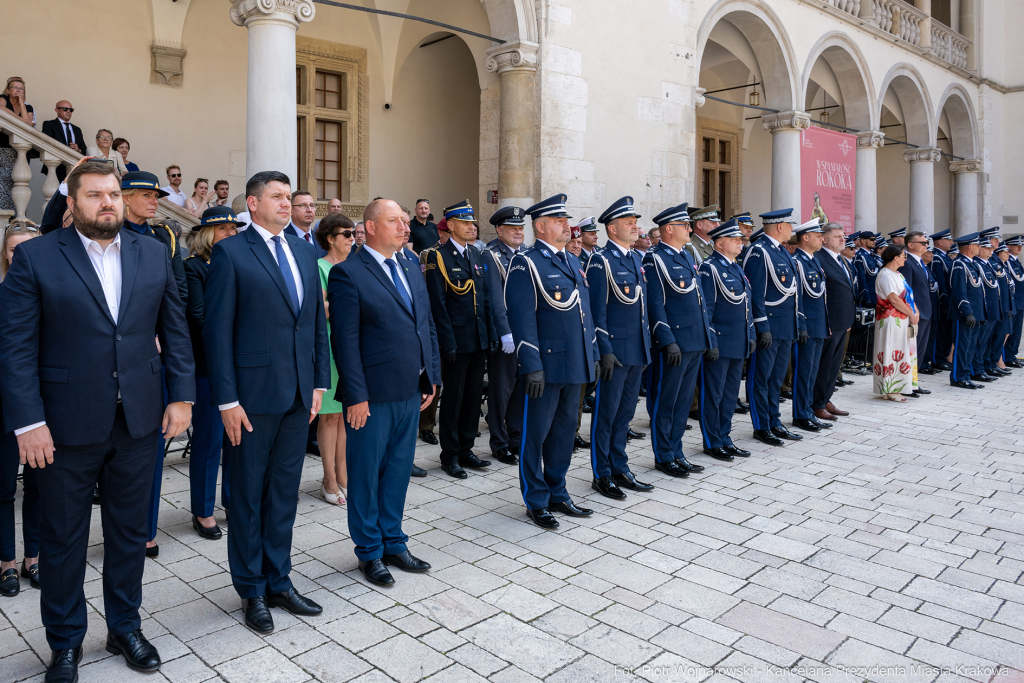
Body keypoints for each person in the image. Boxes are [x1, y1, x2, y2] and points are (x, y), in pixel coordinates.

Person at [0, 160, 195, 680]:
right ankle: (65, 643)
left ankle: (125, 627)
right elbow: (15, 350)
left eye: (112, 193)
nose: (107, 202)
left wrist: (183, 397)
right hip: (63, 430)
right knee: (62, 542)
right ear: (72, 203)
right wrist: (28, 423)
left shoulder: (152, 253)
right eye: (95, 195)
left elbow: (174, 330)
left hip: (138, 423)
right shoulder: (37, 259)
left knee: (130, 535)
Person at [204, 170, 329, 634]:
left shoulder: (304, 249)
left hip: (299, 395)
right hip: (252, 400)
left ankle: (279, 579)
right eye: (276, 197)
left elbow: (313, 323)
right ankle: (251, 589)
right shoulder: (231, 251)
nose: (286, 203)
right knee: (250, 498)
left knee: (283, 496)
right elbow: (216, 333)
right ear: (253, 204)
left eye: (288, 196)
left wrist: (318, 383)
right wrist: (227, 401)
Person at [327, 198, 440, 586]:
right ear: (372, 227)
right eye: (395, 221)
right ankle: (369, 552)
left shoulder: (409, 264)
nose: (405, 227)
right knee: (365, 474)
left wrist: (431, 375)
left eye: (406, 221)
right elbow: (345, 340)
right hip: (371, 397)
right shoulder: (349, 274)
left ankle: (394, 541)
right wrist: (356, 396)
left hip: (410, 388)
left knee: (396, 472)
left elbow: (425, 323)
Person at [505, 194, 598, 528]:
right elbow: (521, 318)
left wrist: (593, 354)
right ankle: (536, 498)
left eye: (566, 221)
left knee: (563, 433)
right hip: (545, 365)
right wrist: (531, 364)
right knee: (536, 434)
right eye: (559, 221)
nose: (567, 226)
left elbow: (584, 315)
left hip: (574, 363)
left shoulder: (573, 262)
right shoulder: (526, 262)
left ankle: (558, 491)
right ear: (540, 226)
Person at [586, 196, 653, 500]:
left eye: (635, 221)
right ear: (612, 229)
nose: (635, 226)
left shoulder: (636, 259)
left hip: (637, 349)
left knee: (625, 414)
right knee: (607, 413)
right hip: (615, 351)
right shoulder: (601, 260)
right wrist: (605, 349)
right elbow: (596, 311)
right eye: (629, 222)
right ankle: (602, 473)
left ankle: (619, 465)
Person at [422, 200, 496, 479]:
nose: (472, 227)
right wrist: (447, 342)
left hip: (477, 339)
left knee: (473, 397)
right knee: (454, 399)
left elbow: (485, 299)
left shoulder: (476, 255)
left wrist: (489, 335)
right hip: (456, 340)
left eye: (473, 223)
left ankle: (466, 448)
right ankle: (450, 454)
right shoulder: (438, 257)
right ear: (451, 226)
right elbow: (437, 305)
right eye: (466, 223)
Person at [642, 202, 712, 477]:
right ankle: (663, 455)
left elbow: (699, 300)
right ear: (668, 229)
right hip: (674, 342)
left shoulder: (685, 255)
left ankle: (677, 451)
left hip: (694, 339)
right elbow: (655, 304)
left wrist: (706, 335)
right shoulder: (655, 257)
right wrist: (666, 339)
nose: (689, 229)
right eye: (685, 225)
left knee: (683, 401)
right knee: (666, 400)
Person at [183, 207, 239, 540]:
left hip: (238, 366)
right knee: (209, 441)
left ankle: (233, 501)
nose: (232, 234)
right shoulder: (194, 268)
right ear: (208, 234)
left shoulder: (235, 264)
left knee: (237, 440)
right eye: (225, 229)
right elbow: (200, 315)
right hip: (207, 367)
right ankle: (203, 510)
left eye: (234, 229)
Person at [0, 223, 41, 598]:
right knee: (2, 489)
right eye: (14, 250)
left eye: (28, 248)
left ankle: (34, 557)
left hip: (45, 408)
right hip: (3, 406)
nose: (21, 255)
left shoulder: (53, 294)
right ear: (6, 255)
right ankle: (6, 563)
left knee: (39, 486)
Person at [744, 209, 805, 447]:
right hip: (769, 325)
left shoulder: (780, 251)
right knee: (762, 377)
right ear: (779, 226)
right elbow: (755, 294)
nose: (792, 229)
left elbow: (793, 293)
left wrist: (797, 324)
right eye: (790, 225)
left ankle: (773, 420)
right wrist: (761, 326)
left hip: (785, 325)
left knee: (777, 378)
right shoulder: (759, 252)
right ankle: (761, 426)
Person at [698, 219, 755, 461]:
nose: (740, 243)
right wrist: (710, 342)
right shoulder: (709, 268)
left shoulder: (736, 267)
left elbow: (746, 306)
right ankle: (712, 441)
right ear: (719, 243)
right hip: (720, 342)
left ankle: (724, 436)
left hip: (738, 340)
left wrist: (750, 333)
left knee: (731, 394)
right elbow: (706, 310)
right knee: (714, 394)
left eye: (740, 240)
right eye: (734, 240)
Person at [315, 212, 356, 504]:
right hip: (328, 347)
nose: (353, 239)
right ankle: (328, 477)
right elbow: (320, 311)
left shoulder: (355, 266)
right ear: (331, 238)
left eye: (354, 234)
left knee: (345, 414)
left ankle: (343, 472)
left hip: (352, 347)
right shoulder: (319, 267)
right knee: (329, 416)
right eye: (347, 234)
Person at [482, 205, 525, 465]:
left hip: (524, 335)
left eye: (521, 228)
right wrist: (505, 332)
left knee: (520, 389)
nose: (518, 232)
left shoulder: (524, 255)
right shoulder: (491, 255)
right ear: (500, 230)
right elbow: (495, 299)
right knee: (501, 391)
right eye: (513, 228)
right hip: (505, 337)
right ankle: (499, 442)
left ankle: (516, 438)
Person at [790, 219, 832, 432]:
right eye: (817, 235)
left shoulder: (813, 261)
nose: (821, 238)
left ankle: (807, 411)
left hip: (818, 325)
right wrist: (801, 325)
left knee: (812, 371)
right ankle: (800, 414)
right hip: (806, 325)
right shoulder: (797, 261)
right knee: (804, 372)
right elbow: (797, 298)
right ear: (805, 237)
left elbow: (819, 297)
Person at [812, 223, 855, 423]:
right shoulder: (819, 259)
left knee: (834, 365)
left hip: (842, 320)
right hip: (829, 321)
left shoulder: (841, 260)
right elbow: (820, 294)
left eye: (843, 235)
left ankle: (826, 399)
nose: (842, 239)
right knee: (825, 364)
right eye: (837, 236)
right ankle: (817, 404)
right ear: (824, 239)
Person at [872, 244, 918, 401]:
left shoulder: (898, 274)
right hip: (890, 320)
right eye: (904, 255)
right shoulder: (885, 275)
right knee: (891, 350)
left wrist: (915, 311)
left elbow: (907, 295)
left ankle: (899, 386)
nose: (906, 258)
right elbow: (893, 299)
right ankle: (890, 389)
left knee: (902, 351)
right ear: (895, 257)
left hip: (901, 318)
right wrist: (911, 314)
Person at [949, 233, 986, 389]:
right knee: (963, 346)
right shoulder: (959, 264)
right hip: (964, 314)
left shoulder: (971, 264)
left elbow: (979, 291)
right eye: (978, 245)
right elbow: (959, 291)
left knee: (970, 346)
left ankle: (966, 374)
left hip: (975, 313)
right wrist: (967, 312)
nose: (980, 248)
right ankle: (958, 377)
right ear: (970, 247)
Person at [899, 231, 934, 393]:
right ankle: (907, 383)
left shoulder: (919, 262)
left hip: (925, 311)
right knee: (912, 349)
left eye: (926, 242)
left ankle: (913, 382)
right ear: (911, 245)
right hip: (916, 313)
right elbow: (906, 290)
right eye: (923, 243)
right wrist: (913, 311)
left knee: (919, 349)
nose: (926, 245)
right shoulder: (907, 263)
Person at [973, 229, 1003, 381]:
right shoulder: (977, 264)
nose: (991, 251)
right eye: (987, 248)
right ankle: (977, 369)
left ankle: (985, 366)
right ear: (979, 249)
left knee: (986, 340)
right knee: (979, 341)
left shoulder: (987, 264)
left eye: (992, 249)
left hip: (992, 309)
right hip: (985, 309)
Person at [1, 77, 35, 212]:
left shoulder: (27, 107)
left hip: (20, 150)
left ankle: (17, 215)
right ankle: (4, 214)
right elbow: (1, 109)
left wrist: (21, 102)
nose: (18, 90)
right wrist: (21, 120)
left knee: (19, 183)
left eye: (21, 88)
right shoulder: (3, 98)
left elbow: (28, 124)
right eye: (15, 87)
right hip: (3, 147)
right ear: (8, 90)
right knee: (3, 182)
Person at [41, 101, 85, 182]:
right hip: (56, 167)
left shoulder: (77, 129)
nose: (68, 111)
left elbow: (84, 150)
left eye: (71, 110)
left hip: (74, 169)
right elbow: (47, 143)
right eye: (65, 109)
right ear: (57, 110)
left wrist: (78, 150)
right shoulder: (49, 124)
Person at [990, 242, 1016, 374]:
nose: (1008, 254)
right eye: (1005, 252)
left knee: (1004, 334)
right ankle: (994, 362)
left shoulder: (1003, 265)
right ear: (999, 253)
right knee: (998, 334)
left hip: (1007, 305)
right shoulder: (995, 265)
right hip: (1001, 306)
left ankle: (997, 361)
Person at [285, 190, 327, 257]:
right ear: (291, 210)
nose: (309, 210)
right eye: (303, 206)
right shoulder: (283, 238)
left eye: (312, 205)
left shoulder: (322, 238)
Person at [1004, 235, 1024, 366]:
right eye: (1016, 245)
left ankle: (1012, 355)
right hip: (1014, 302)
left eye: (1021, 245)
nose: (1019, 247)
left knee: (1017, 331)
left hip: (1020, 302)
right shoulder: (1008, 262)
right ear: (1008, 247)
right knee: (1010, 332)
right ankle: (1008, 356)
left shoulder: (1016, 262)